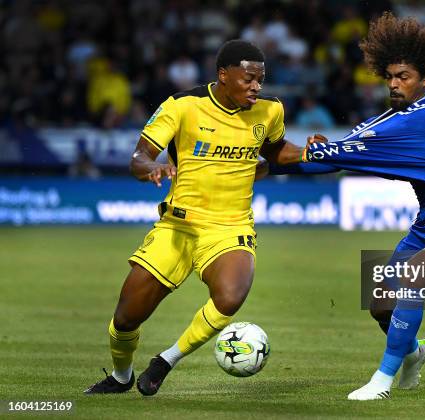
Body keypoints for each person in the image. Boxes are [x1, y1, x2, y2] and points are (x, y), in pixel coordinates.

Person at [269, 12, 425, 400]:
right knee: (380, 305)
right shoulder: (378, 126)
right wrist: (289, 160)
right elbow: (326, 161)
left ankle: (381, 381)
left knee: (414, 276)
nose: (393, 83)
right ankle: (415, 352)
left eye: (402, 76)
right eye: (389, 76)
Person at [84, 40, 305, 395]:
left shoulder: (270, 110)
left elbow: (276, 151)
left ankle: (165, 360)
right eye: (249, 79)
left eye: (260, 80)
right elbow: (139, 156)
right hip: (178, 226)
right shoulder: (183, 106)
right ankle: (121, 376)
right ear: (223, 75)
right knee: (126, 318)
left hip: (231, 226)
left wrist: (311, 152)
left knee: (230, 296)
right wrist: (151, 168)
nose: (256, 87)